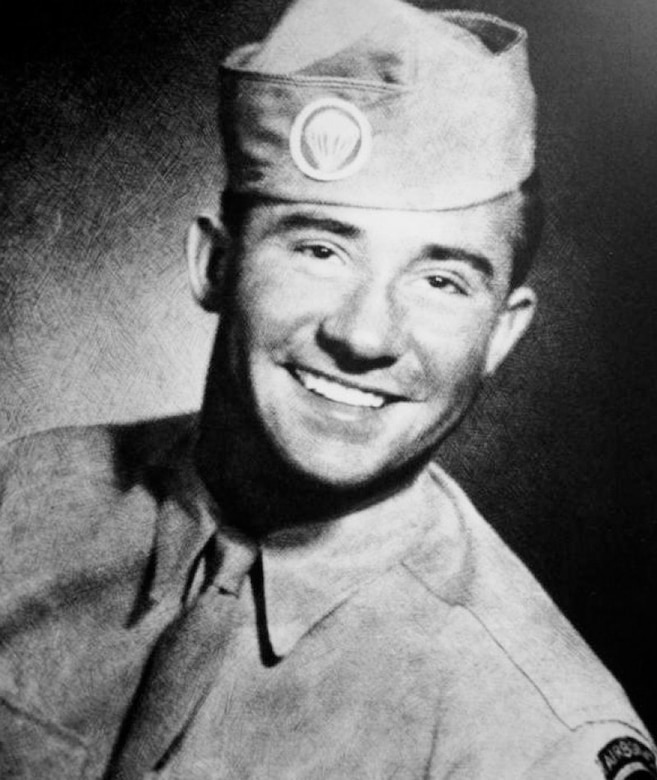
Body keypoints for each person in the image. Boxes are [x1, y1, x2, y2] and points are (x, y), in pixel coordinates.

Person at [0, 0, 654, 777]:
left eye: (442, 280)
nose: (365, 336)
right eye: (319, 249)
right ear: (215, 264)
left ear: (501, 334)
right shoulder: (23, 496)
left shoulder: (536, 736)